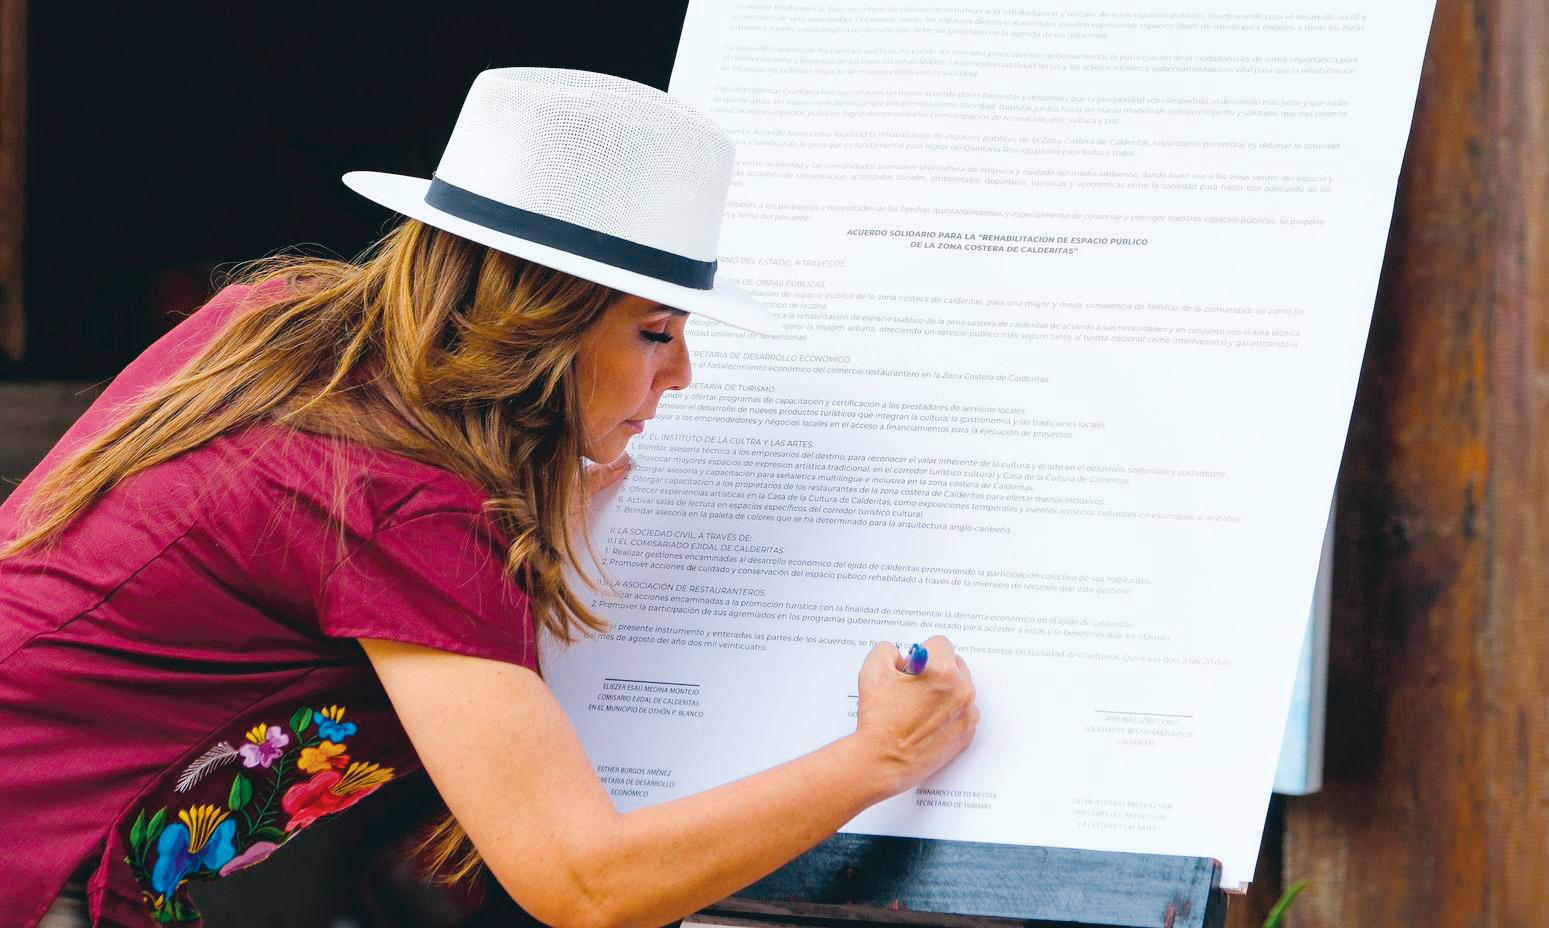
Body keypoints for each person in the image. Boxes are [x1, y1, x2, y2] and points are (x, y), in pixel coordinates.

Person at [1, 68, 979, 927]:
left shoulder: (280, 324)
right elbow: (584, 885)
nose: (681, 373)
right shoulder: (399, 505)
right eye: (655, 332)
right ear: (538, 320)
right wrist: (882, 756)